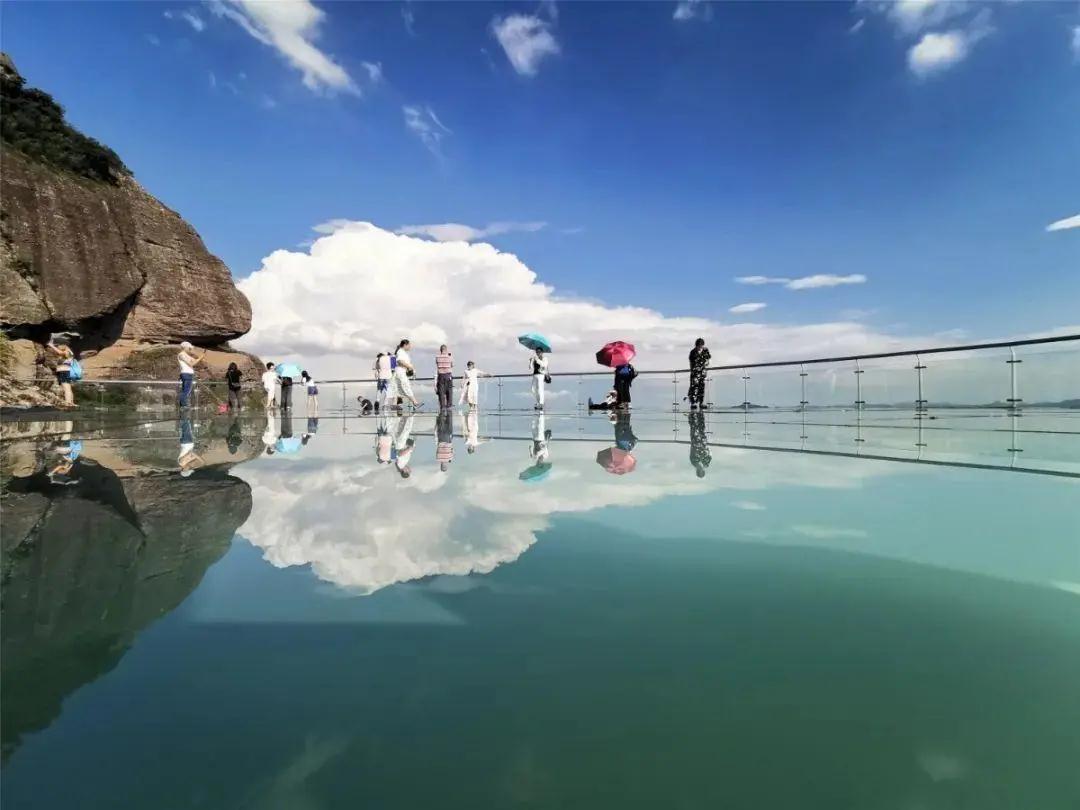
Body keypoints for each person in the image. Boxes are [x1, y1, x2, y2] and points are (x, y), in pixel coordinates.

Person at [392, 339, 422, 411]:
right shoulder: (401, 352)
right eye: (409, 345)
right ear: (405, 345)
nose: (410, 347)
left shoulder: (402, 352)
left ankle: (394, 404)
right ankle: (415, 403)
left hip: (401, 371)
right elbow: (400, 361)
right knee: (406, 387)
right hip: (401, 372)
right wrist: (409, 367)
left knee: (400, 388)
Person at [46, 337, 76, 408]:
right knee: (68, 387)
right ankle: (71, 402)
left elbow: (60, 353)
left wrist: (51, 345)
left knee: (66, 387)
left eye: (58, 345)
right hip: (66, 371)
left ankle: (68, 403)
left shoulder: (67, 352)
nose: (58, 347)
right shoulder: (69, 352)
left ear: (63, 345)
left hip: (64, 371)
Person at [177, 341, 205, 409]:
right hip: (186, 374)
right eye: (189, 348)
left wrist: (201, 357)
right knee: (186, 391)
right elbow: (191, 364)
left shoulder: (186, 355)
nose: (190, 349)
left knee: (187, 390)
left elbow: (194, 360)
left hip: (189, 374)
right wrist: (200, 358)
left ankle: (184, 405)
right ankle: (183, 406)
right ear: (185, 347)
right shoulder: (181, 354)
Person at [688, 337, 711, 410]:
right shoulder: (693, 352)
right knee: (694, 387)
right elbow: (692, 362)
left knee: (701, 387)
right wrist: (696, 368)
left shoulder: (705, 350)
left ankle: (701, 403)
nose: (700, 347)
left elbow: (708, 358)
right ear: (696, 345)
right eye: (698, 346)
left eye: (701, 346)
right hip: (695, 373)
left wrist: (706, 363)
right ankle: (693, 403)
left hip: (702, 373)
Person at [688, 410, 711, 478]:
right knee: (701, 428)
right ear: (703, 470)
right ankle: (700, 414)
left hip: (696, 441)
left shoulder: (694, 462)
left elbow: (693, 451)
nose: (701, 469)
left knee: (694, 427)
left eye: (699, 471)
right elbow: (709, 454)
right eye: (702, 471)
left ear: (697, 471)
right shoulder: (705, 463)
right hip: (701, 442)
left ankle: (692, 414)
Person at [435, 344, 454, 410]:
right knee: (449, 391)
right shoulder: (449, 357)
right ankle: (449, 406)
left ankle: (442, 406)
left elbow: (437, 365)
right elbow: (452, 365)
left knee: (441, 392)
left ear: (440, 350)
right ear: (446, 350)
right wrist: (449, 355)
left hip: (440, 375)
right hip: (448, 375)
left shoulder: (437, 357)